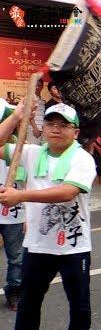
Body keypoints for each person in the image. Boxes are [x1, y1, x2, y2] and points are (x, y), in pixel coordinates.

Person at [0, 103, 97, 330]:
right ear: (43, 129)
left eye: (63, 125)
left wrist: (21, 195)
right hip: (37, 243)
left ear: (75, 132)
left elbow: (68, 192)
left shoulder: (82, 158)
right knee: (30, 298)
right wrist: (16, 118)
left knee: (78, 298)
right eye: (51, 124)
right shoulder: (30, 153)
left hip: (74, 245)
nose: (56, 129)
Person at [0, 99, 26, 311]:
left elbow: (27, 183)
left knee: (16, 256)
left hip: (13, 213)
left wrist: (28, 214)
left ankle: (15, 290)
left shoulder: (21, 149)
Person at [28, 79, 46, 145]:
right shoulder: (30, 98)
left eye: (39, 85)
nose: (37, 87)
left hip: (41, 129)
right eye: (35, 85)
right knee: (32, 151)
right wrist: (35, 128)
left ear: (42, 86)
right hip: (33, 129)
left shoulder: (42, 100)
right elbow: (29, 115)